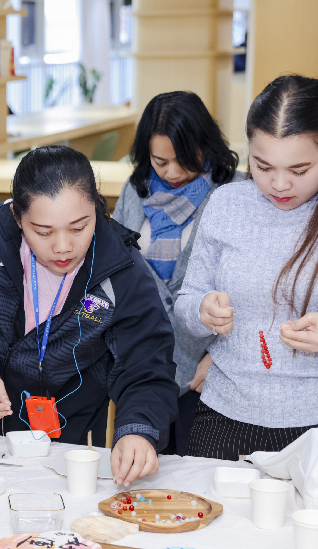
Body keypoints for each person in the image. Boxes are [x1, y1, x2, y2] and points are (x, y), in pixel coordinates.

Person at [0, 145, 178, 487]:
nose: (63, 247)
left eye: (79, 227)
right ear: (17, 218)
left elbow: (147, 365)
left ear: (97, 209)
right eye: (43, 232)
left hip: (71, 441)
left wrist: (138, 430)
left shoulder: (121, 269)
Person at [176, 75, 318, 460]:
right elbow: (186, 304)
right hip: (227, 416)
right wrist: (201, 310)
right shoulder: (227, 204)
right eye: (262, 165)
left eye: (300, 169)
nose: (279, 184)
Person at [112, 91, 242, 456]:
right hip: (141, 364)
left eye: (184, 159)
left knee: (196, 481)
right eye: (159, 161)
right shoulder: (134, 192)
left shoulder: (234, 194)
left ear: (206, 145)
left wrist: (221, 356)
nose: (171, 172)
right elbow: (111, 272)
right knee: (139, 475)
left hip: (207, 368)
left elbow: (252, 287)